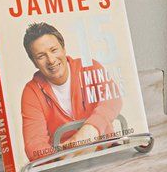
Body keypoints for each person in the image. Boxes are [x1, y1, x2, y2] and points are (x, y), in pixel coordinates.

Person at [19, 22, 123, 161]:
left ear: (63, 49)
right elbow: (34, 147)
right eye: (41, 56)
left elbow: (113, 99)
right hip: (65, 164)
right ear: (34, 62)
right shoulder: (31, 92)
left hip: (107, 154)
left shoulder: (89, 67)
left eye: (54, 50)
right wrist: (66, 154)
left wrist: (90, 130)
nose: (51, 60)